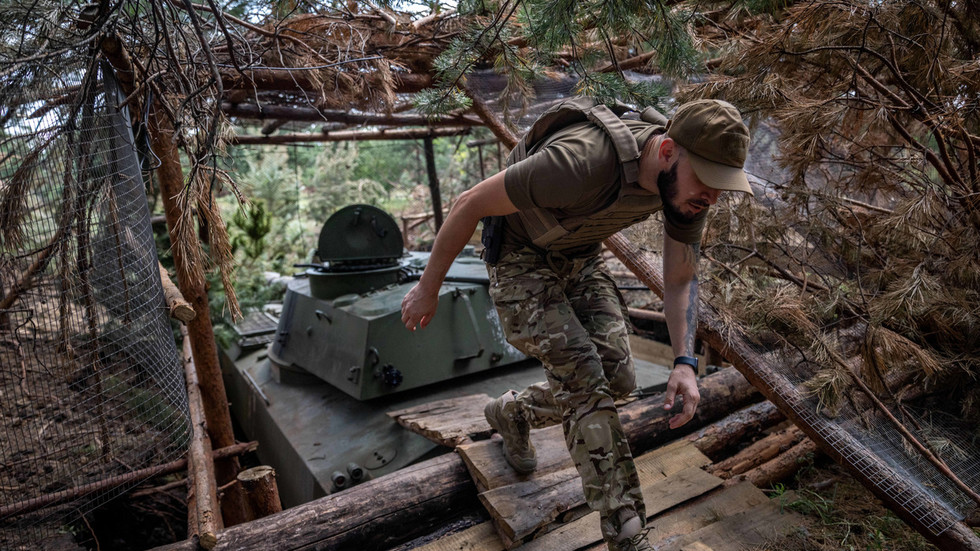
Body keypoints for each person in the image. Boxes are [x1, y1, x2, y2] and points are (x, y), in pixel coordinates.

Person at [401, 98, 752, 551]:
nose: (712, 197)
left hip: (578, 258)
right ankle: (625, 527)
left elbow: (681, 276)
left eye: (722, 185)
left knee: (618, 376)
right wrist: (428, 288)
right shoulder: (580, 162)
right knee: (582, 371)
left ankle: (514, 411)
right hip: (518, 259)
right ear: (667, 151)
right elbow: (470, 203)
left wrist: (684, 361)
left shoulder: (685, 191)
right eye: (706, 180)